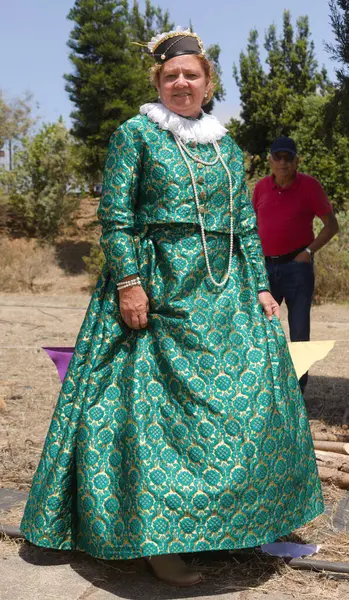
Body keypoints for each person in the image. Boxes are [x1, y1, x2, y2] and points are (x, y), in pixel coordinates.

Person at [21, 29, 324, 587]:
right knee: (154, 413)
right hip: (158, 283)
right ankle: (157, 539)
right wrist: (129, 282)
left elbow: (243, 225)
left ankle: (231, 522)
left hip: (226, 288)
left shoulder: (225, 145)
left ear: (208, 83)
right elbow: (116, 214)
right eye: (170, 76)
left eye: (191, 75)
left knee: (249, 400)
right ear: (158, 82)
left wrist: (260, 286)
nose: (181, 83)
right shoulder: (136, 134)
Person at [252, 137, 339, 394]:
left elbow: (332, 225)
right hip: (266, 269)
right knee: (264, 332)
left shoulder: (310, 187)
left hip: (297, 269)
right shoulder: (260, 188)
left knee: (299, 331)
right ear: (270, 160)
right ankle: (268, 392)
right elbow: (253, 228)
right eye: (277, 157)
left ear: (296, 161)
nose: (282, 163)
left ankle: (297, 395)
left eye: (288, 158)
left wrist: (309, 252)